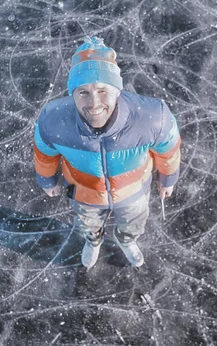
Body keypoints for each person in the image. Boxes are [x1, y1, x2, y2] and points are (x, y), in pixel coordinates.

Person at [33, 36, 181, 268]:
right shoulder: (53, 121)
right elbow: (45, 154)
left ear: (117, 90)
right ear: (72, 94)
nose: (93, 103)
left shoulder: (152, 118)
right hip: (84, 193)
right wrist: (47, 179)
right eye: (83, 92)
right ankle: (93, 240)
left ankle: (126, 239)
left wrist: (168, 178)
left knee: (133, 221)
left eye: (103, 90)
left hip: (134, 191)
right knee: (87, 224)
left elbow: (168, 150)